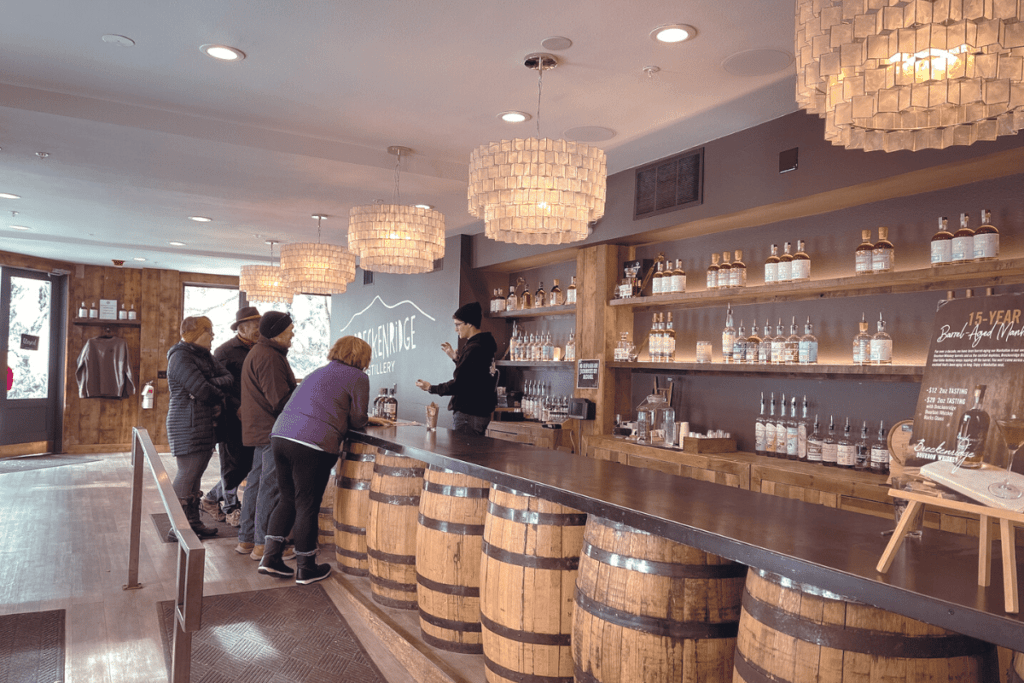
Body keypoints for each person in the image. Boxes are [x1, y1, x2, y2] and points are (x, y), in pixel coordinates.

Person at [259, 335, 387, 583]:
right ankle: (306, 567)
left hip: (281, 435)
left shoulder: (317, 372)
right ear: (362, 357)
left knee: (287, 498)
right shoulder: (358, 377)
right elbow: (359, 418)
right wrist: (367, 419)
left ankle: (270, 558)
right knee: (307, 503)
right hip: (312, 443)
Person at [165, 316, 233, 539]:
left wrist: (209, 384)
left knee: (194, 478)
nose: (213, 335)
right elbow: (202, 390)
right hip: (187, 423)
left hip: (201, 423)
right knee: (187, 475)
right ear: (196, 333)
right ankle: (177, 528)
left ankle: (192, 523)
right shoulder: (180, 356)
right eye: (209, 331)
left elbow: (228, 378)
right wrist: (209, 386)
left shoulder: (203, 355)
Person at [237, 311, 297, 560]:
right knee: (270, 488)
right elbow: (279, 400)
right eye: (290, 330)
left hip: (259, 430)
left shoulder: (259, 352)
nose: (293, 334)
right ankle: (263, 544)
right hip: (272, 430)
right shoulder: (270, 357)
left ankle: (247, 540)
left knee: (256, 484)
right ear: (277, 332)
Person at [199, 306, 260, 526]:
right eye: (256, 325)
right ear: (242, 327)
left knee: (247, 464)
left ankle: (211, 498)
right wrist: (236, 407)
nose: (259, 329)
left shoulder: (260, 349)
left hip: (256, 417)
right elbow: (220, 387)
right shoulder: (224, 352)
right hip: (231, 417)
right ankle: (231, 508)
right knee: (231, 464)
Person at [415, 301, 497, 436]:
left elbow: (460, 384)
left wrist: (431, 388)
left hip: (468, 414)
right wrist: (456, 358)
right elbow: (474, 375)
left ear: (469, 323)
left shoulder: (474, 348)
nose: (455, 329)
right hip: (480, 413)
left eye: (458, 325)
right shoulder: (485, 344)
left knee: (463, 455)